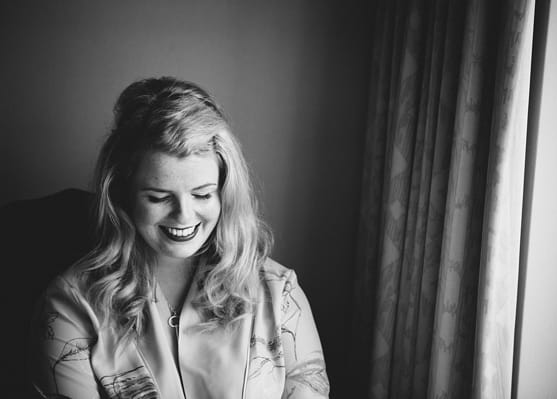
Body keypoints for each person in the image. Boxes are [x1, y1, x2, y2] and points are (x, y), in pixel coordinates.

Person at [28, 77, 330, 398]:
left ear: (224, 193)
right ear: (122, 193)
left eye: (202, 194)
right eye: (159, 197)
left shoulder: (280, 294)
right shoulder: (71, 308)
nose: (184, 216)